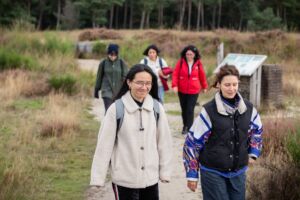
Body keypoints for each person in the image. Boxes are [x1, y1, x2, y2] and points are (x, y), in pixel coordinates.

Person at [90, 64, 173, 200]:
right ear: (129, 82)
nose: (144, 87)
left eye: (148, 83)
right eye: (139, 83)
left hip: (150, 179)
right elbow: (104, 146)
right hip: (124, 179)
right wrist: (98, 178)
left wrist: (165, 172)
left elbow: (164, 142)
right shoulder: (116, 109)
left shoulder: (157, 108)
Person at [183, 64, 263, 200]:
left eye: (234, 84)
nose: (231, 89)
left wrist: (253, 153)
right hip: (212, 172)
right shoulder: (209, 111)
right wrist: (192, 175)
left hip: (239, 172)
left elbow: (257, 130)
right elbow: (192, 143)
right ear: (218, 84)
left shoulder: (249, 108)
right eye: (227, 85)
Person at [172, 45, 208, 135]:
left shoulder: (198, 63)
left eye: (191, 54)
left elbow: (202, 76)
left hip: (194, 90)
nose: (189, 56)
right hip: (182, 90)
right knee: (184, 109)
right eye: (187, 54)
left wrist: (204, 86)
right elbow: (175, 74)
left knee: (190, 109)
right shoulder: (180, 62)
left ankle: (189, 127)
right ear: (185, 54)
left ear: (195, 55)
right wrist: (174, 85)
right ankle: (185, 126)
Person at [94, 43, 128, 112]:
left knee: (117, 112)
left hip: (119, 91)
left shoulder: (121, 62)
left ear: (117, 54)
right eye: (111, 54)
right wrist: (96, 89)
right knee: (109, 110)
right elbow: (99, 77)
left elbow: (126, 77)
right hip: (106, 90)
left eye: (114, 54)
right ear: (108, 53)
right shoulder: (103, 63)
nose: (112, 56)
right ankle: (107, 122)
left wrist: (127, 89)